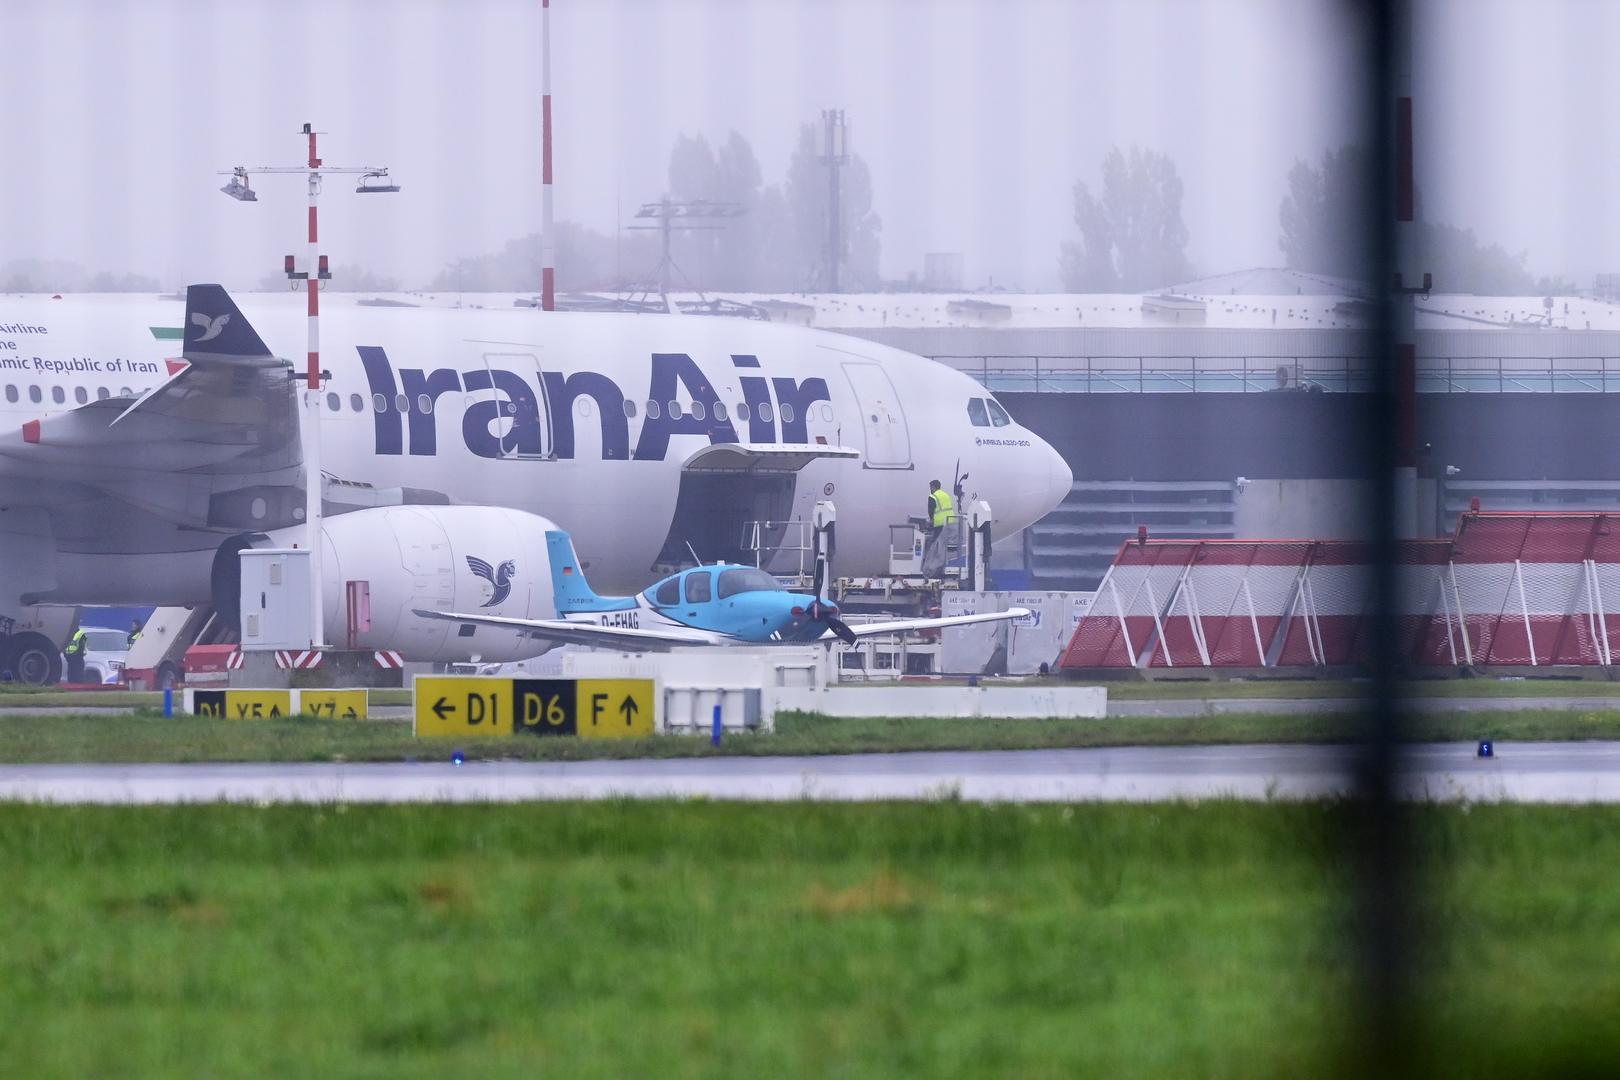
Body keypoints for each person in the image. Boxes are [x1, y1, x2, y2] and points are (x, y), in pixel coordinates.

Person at [922, 479, 956, 577]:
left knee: (935, 546)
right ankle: (940, 566)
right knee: (942, 545)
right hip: (950, 522)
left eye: (930, 487)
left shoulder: (932, 496)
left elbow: (931, 511)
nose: (930, 489)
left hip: (940, 523)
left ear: (933, 487)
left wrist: (931, 521)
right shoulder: (946, 495)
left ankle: (932, 569)